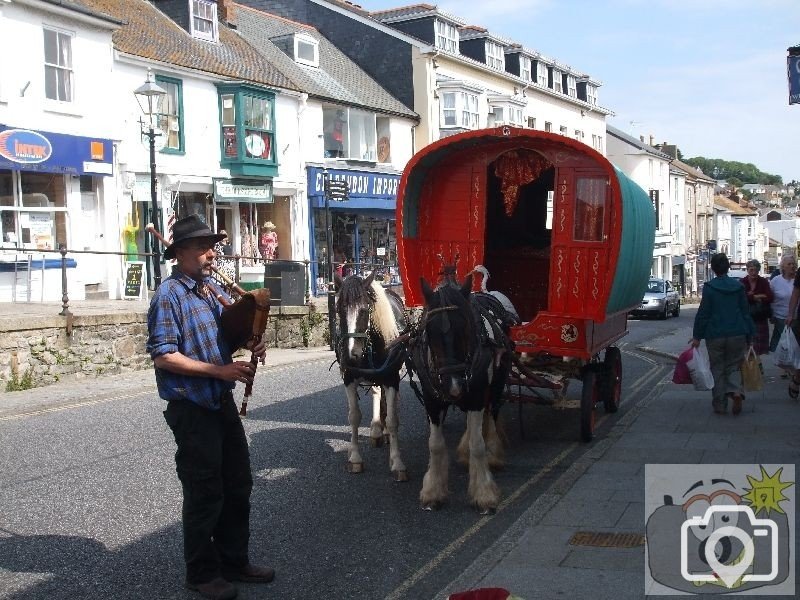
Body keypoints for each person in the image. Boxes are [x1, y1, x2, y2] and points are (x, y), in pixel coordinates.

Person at [147, 215, 274, 600]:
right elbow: (164, 356)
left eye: (211, 246)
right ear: (180, 253)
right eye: (202, 247)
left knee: (238, 483)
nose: (210, 253)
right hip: (192, 407)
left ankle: (233, 560)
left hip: (219, 401)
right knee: (204, 492)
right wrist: (220, 371)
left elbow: (225, 337)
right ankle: (201, 574)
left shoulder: (206, 291)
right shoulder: (168, 295)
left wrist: (249, 342)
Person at [691, 253, 754, 415]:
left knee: (717, 368)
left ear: (713, 268)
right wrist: (750, 336)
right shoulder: (738, 287)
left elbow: (703, 313)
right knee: (734, 366)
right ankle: (736, 392)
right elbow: (745, 313)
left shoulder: (710, 288)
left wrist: (697, 336)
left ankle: (719, 404)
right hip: (737, 332)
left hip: (715, 334)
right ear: (728, 267)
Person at [739, 258, 773, 356]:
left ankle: (756, 368)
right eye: (751, 270)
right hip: (746, 318)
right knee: (747, 347)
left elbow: (770, 297)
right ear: (747, 270)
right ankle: (749, 368)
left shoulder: (763, 281)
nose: (753, 272)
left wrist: (753, 296)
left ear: (759, 270)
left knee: (758, 350)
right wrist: (758, 296)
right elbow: (741, 298)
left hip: (760, 317)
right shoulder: (742, 282)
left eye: (756, 270)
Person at [769, 255, 797, 363]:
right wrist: (771, 314)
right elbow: (771, 298)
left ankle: (792, 366)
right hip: (780, 317)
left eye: (793, 264)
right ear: (783, 267)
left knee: (794, 343)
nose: (792, 266)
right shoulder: (776, 281)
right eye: (789, 264)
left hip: (796, 317)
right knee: (784, 343)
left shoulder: (797, 280)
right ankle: (786, 366)